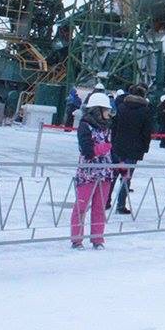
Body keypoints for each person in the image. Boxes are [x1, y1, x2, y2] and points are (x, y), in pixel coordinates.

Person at [71, 92, 115, 249]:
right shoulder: (85, 126)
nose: (109, 113)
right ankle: (77, 239)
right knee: (81, 207)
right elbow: (87, 151)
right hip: (88, 174)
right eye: (107, 110)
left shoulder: (107, 127)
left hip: (105, 174)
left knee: (99, 208)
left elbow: (111, 149)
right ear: (98, 110)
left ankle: (97, 239)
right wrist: (107, 147)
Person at [109, 85, 154, 214]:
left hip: (118, 147)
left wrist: (113, 142)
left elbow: (114, 127)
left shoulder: (121, 107)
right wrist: (144, 148)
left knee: (113, 175)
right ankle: (120, 205)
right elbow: (146, 132)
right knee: (125, 177)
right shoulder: (145, 111)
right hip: (133, 149)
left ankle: (105, 200)